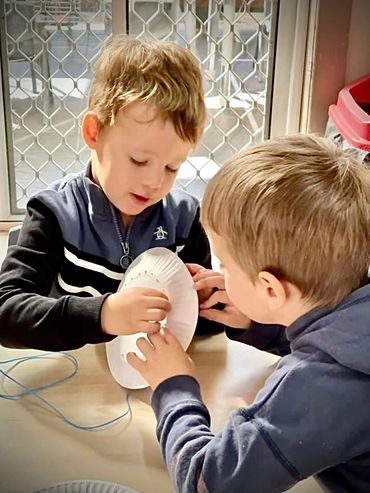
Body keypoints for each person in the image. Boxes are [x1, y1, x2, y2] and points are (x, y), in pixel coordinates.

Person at [128, 134, 370, 492]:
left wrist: (172, 385)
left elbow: (208, 482)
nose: (219, 272)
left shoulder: (315, 386)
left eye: (224, 264)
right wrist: (260, 321)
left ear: (271, 289)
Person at [0, 35, 217, 351]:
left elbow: (201, 331)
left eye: (173, 167)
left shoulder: (183, 220)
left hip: (148, 379)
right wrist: (104, 315)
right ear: (94, 132)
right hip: (76, 381)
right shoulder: (54, 214)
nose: (155, 181)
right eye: (139, 160)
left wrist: (209, 303)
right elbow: (6, 313)